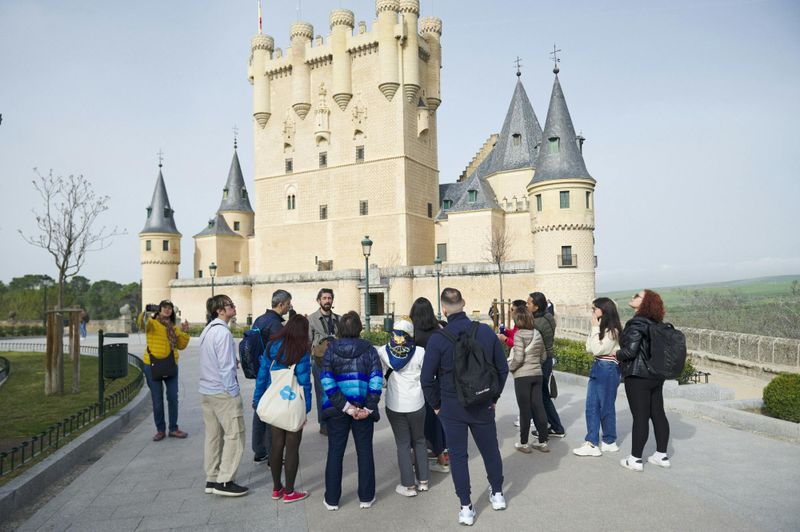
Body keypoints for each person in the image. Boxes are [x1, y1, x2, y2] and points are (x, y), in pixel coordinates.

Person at [421, 288, 509, 526]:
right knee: (490, 449)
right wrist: (494, 398)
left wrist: (437, 406)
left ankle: (466, 507)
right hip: (482, 403)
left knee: (458, 456)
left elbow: (427, 378)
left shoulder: (438, 340)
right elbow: (502, 368)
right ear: (464, 303)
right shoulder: (485, 332)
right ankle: (498, 493)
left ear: (444, 309)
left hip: (451, 406)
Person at [320, 311, 383, 510]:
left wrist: (345, 406)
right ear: (359, 328)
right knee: (364, 453)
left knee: (335, 453)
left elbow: (327, 381)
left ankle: (332, 499)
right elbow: (376, 381)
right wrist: (368, 407)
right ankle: (366, 497)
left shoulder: (330, 350)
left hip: (337, 409)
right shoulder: (369, 350)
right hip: (362, 408)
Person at [253, 314, 312, 503]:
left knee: (276, 445)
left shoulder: (272, 345)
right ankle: (290, 491)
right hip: (293, 403)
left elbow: (262, 375)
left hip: (275, 401)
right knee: (292, 448)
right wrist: (306, 409)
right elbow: (305, 383)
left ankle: (276, 489)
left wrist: (257, 399)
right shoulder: (302, 350)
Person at [616, 290, 672, 472]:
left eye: (637, 295)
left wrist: (614, 353)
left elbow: (630, 352)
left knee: (640, 417)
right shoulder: (657, 324)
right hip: (656, 376)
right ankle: (661, 455)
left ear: (644, 303)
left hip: (638, 376)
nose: (632, 296)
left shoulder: (636, 323)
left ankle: (635, 459)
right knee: (658, 413)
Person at [198, 295, 248, 496]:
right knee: (235, 434)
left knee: (213, 436)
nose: (233, 307)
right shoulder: (223, 333)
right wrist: (234, 392)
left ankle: (212, 477)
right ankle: (225, 481)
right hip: (222, 391)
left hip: (207, 390)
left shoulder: (207, 330)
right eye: (230, 305)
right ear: (219, 310)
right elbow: (226, 367)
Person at [376, 319, 430, 497]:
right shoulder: (420, 352)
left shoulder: (383, 351)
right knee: (420, 440)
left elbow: (381, 378)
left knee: (403, 444)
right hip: (417, 402)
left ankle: (408, 485)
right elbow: (427, 376)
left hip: (395, 404)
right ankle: (423, 481)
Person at [573, 297, 623, 457]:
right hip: (599, 367)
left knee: (605, 406)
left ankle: (608, 440)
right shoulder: (602, 328)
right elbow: (590, 347)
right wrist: (595, 328)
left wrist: (595, 328)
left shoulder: (613, 331)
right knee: (592, 405)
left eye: (595, 309)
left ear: (604, 310)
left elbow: (597, 350)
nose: (592, 312)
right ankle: (594, 442)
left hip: (607, 368)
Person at [250, 289, 293, 463]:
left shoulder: (260, 319)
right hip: (272, 375)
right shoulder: (275, 324)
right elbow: (281, 352)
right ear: (281, 304)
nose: (290, 307)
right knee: (271, 413)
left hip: (260, 370)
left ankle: (259, 450)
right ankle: (272, 453)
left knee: (260, 409)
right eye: (289, 304)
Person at [138, 300, 190, 441]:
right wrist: (146, 312)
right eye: (164, 308)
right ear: (159, 310)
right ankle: (160, 430)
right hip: (152, 365)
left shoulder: (174, 327)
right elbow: (142, 324)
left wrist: (185, 332)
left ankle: (173, 428)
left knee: (173, 397)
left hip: (170, 364)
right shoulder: (152, 324)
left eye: (170, 308)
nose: (167, 310)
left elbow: (181, 346)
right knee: (157, 399)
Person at [409, 297, 449, 474]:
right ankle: (442, 457)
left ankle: (414, 460)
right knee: (436, 420)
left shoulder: (413, 334)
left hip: (415, 382)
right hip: (436, 381)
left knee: (416, 422)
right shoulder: (438, 331)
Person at [509, 307, 549, 454]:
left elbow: (518, 357)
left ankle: (524, 443)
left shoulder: (519, 335)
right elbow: (543, 356)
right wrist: (535, 364)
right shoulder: (537, 333)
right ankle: (543, 441)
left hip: (522, 376)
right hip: (537, 374)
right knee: (539, 407)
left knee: (525, 410)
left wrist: (511, 368)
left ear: (518, 319)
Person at [528, 291, 566, 438]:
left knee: (539, 397)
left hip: (541, 361)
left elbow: (534, 345)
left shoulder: (536, 323)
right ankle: (555, 427)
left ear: (536, 307)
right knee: (543, 396)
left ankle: (550, 428)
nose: (526, 305)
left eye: (529, 303)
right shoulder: (548, 317)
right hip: (547, 359)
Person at [307, 288, 340, 436]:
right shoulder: (311, 319)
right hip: (319, 362)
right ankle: (324, 423)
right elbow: (307, 341)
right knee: (321, 393)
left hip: (336, 362)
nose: (327, 300)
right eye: (324, 298)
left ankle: (337, 420)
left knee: (336, 391)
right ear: (319, 300)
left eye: (329, 298)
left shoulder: (338, 319)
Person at [497, 300, 527, 428]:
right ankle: (525, 416)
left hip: (524, 367)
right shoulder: (519, 324)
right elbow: (515, 335)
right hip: (523, 366)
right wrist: (506, 332)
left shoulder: (524, 325)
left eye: (512, 309)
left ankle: (527, 418)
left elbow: (516, 343)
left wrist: (504, 339)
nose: (510, 312)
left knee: (524, 394)